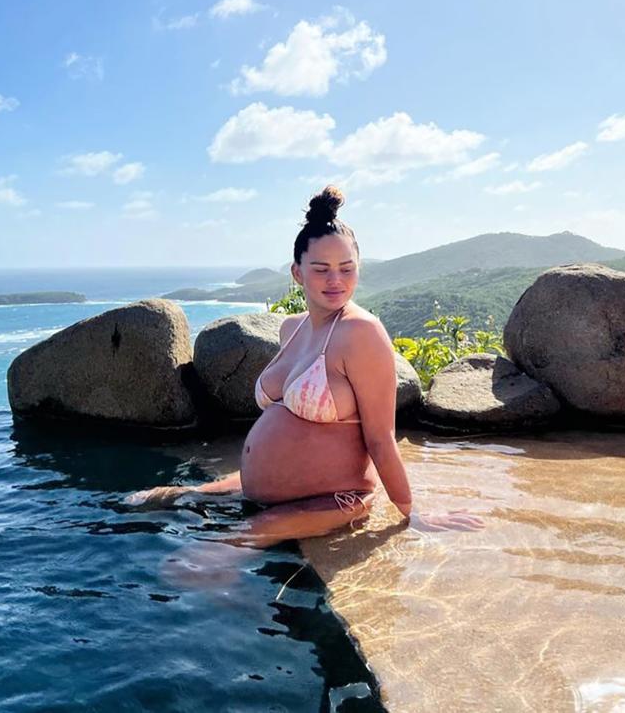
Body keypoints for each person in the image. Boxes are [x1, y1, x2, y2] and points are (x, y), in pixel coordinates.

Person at [127, 185, 413, 545]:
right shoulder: (292, 328)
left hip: (333, 500)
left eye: (346, 268)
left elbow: (381, 438)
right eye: (321, 269)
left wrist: (411, 513)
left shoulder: (361, 333)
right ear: (298, 273)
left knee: (195, 567)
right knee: (143, 502)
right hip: (254, 490)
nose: (335, 280)